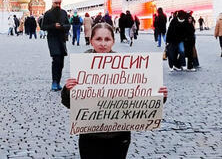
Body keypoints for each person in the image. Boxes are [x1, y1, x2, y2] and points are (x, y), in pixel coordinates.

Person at [61, 22, 168, 159]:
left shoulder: (126, 65)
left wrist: (160, 96)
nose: (103, 44)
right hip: (90, 134)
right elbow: (68, 103)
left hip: (118, 134)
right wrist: (68, 89)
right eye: (98, 39)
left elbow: (140, 99)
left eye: (107, 39)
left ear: (113, 41)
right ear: (91, 41)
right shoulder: (82, 65)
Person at [40, 0, 71, 91]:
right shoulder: (48, 13)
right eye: (56, 3)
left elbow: (68, 25)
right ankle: (54, 81)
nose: (58, 5)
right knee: (56, 59)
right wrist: (53, 26)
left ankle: (58, 82)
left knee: (61, 62)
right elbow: (43, 26)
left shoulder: (63, 13)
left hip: (62, 39)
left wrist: (62, 26)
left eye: (59, 3)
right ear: (52, 3)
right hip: (52, 39)